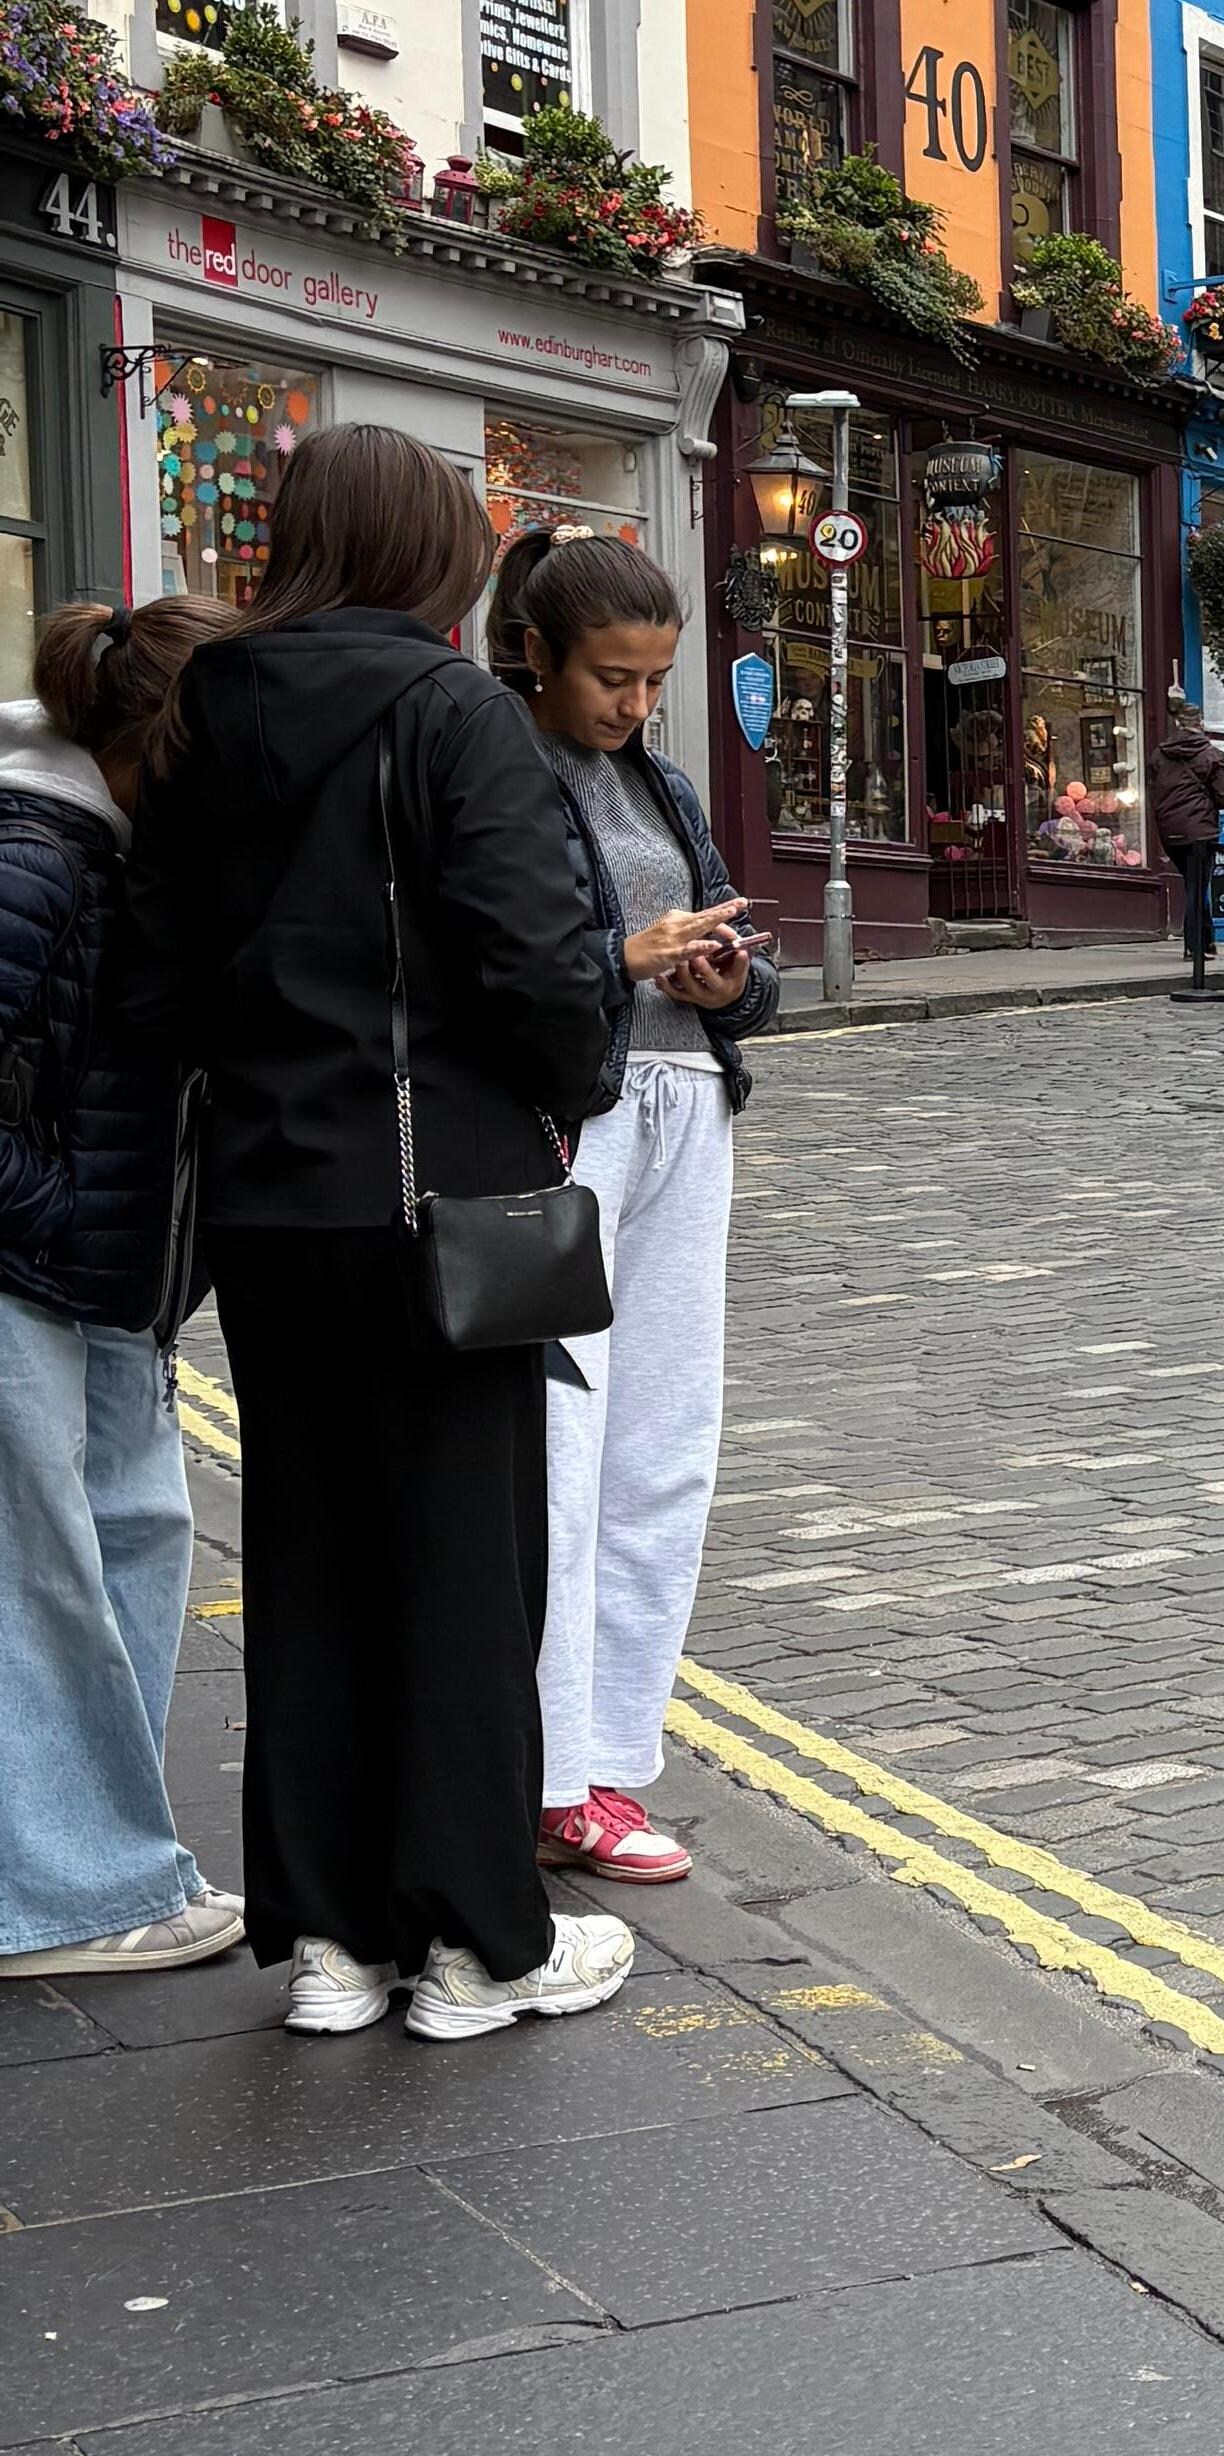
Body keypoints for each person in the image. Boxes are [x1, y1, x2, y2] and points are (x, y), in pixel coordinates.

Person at [115, 421, 639, 2038]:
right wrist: (578, 1075)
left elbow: (154, 982)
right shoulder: (451, 708)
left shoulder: (202, 711)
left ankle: (336, 1942)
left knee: (315, 1564)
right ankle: (479, 1945)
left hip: (270, 1206)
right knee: (464, 1571)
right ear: (430, 554)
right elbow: (539, 961)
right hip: (438, 1204)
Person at [491, 523, 775, 1897]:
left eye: (655, 679)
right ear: (536, 652)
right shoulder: (496, 764)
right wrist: (622, 954)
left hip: (685, 1109)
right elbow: (496, 966)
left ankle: (607, 1756)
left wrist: (729, 982)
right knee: (561, 1444)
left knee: (666, 1443)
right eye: (612, 676)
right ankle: (546, 1775)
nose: (635, 704)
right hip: (575, 1125)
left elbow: (742, 973)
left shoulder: (661, 781)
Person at [0, 595, 243, 1979]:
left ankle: (100, 1855)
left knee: (135, 1536)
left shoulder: (105, 846)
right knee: (42, 1576)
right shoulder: (35, 853)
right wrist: (54, 1221)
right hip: (34, 1270)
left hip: (97, 1283)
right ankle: (64, 1895)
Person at [1146, 703, 1224, 990]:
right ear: (1201, 724)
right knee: (1197, 886)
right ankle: (1194, 945)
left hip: (1169, 831)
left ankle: (1206, 941)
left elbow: (1153, 790)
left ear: (1177, 724)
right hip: (1199, 830)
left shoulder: (1158, 755)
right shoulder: (1213, 755)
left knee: (1194, 883)